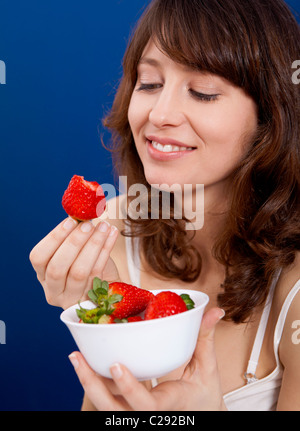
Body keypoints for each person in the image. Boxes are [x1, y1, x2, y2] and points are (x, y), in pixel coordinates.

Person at [30, 0, 300, 411]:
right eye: (150, 83)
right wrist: (98, 313)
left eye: (203, 92)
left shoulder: (293, 285)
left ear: (270, 116)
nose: (159, 114)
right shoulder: (113, 231)